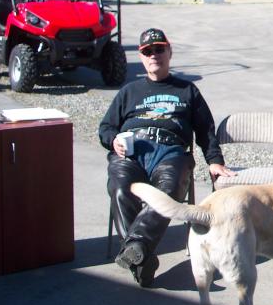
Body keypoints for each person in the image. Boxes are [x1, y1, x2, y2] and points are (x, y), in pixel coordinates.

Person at [98, 28, 234, 287]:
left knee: (169, 190)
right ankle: (141, 255)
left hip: (171, 152)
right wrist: (113, 139)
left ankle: (137, 249)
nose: (154, 55)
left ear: (169, 52)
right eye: (148, 51)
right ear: (141, 57)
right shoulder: (129, 91)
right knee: (119, 188)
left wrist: (215, 160)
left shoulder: (187, 90)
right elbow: (106, 128)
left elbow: (205, 129)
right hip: (132, 151)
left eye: (159, 49)